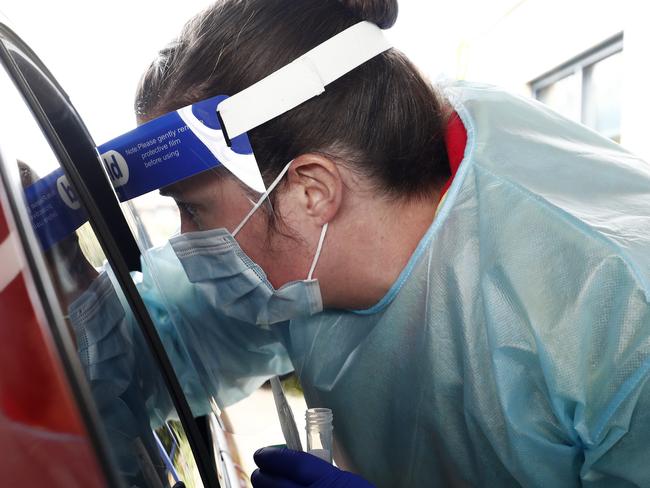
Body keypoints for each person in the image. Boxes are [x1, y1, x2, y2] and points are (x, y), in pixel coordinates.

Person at [75, 0, 650, 486]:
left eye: (193, 209)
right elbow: (162, 357)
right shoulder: (302, 262)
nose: (185, 239)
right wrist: (65, 275)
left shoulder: (612, 311)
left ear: (309, 190)